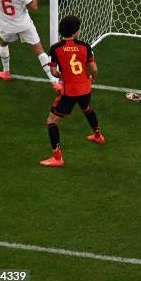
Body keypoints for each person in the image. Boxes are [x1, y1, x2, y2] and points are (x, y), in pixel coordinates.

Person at [40, 15, 106, 167]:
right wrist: (92, 79)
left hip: (69, 91)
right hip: (85, 87)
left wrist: (63, 77)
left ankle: (57, 158)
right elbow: (94, 68)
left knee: (51, 121)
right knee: (86, 108)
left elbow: (53, 71)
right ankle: (98, 135)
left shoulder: (56, 48)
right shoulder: (85, 46)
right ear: (76, 32)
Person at [0, 0, 61, 92]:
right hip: (24, 25)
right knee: (40, 52)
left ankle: (6, 72)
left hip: (6, 27)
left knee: (3, 43)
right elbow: (34, 6)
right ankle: (55, 82)